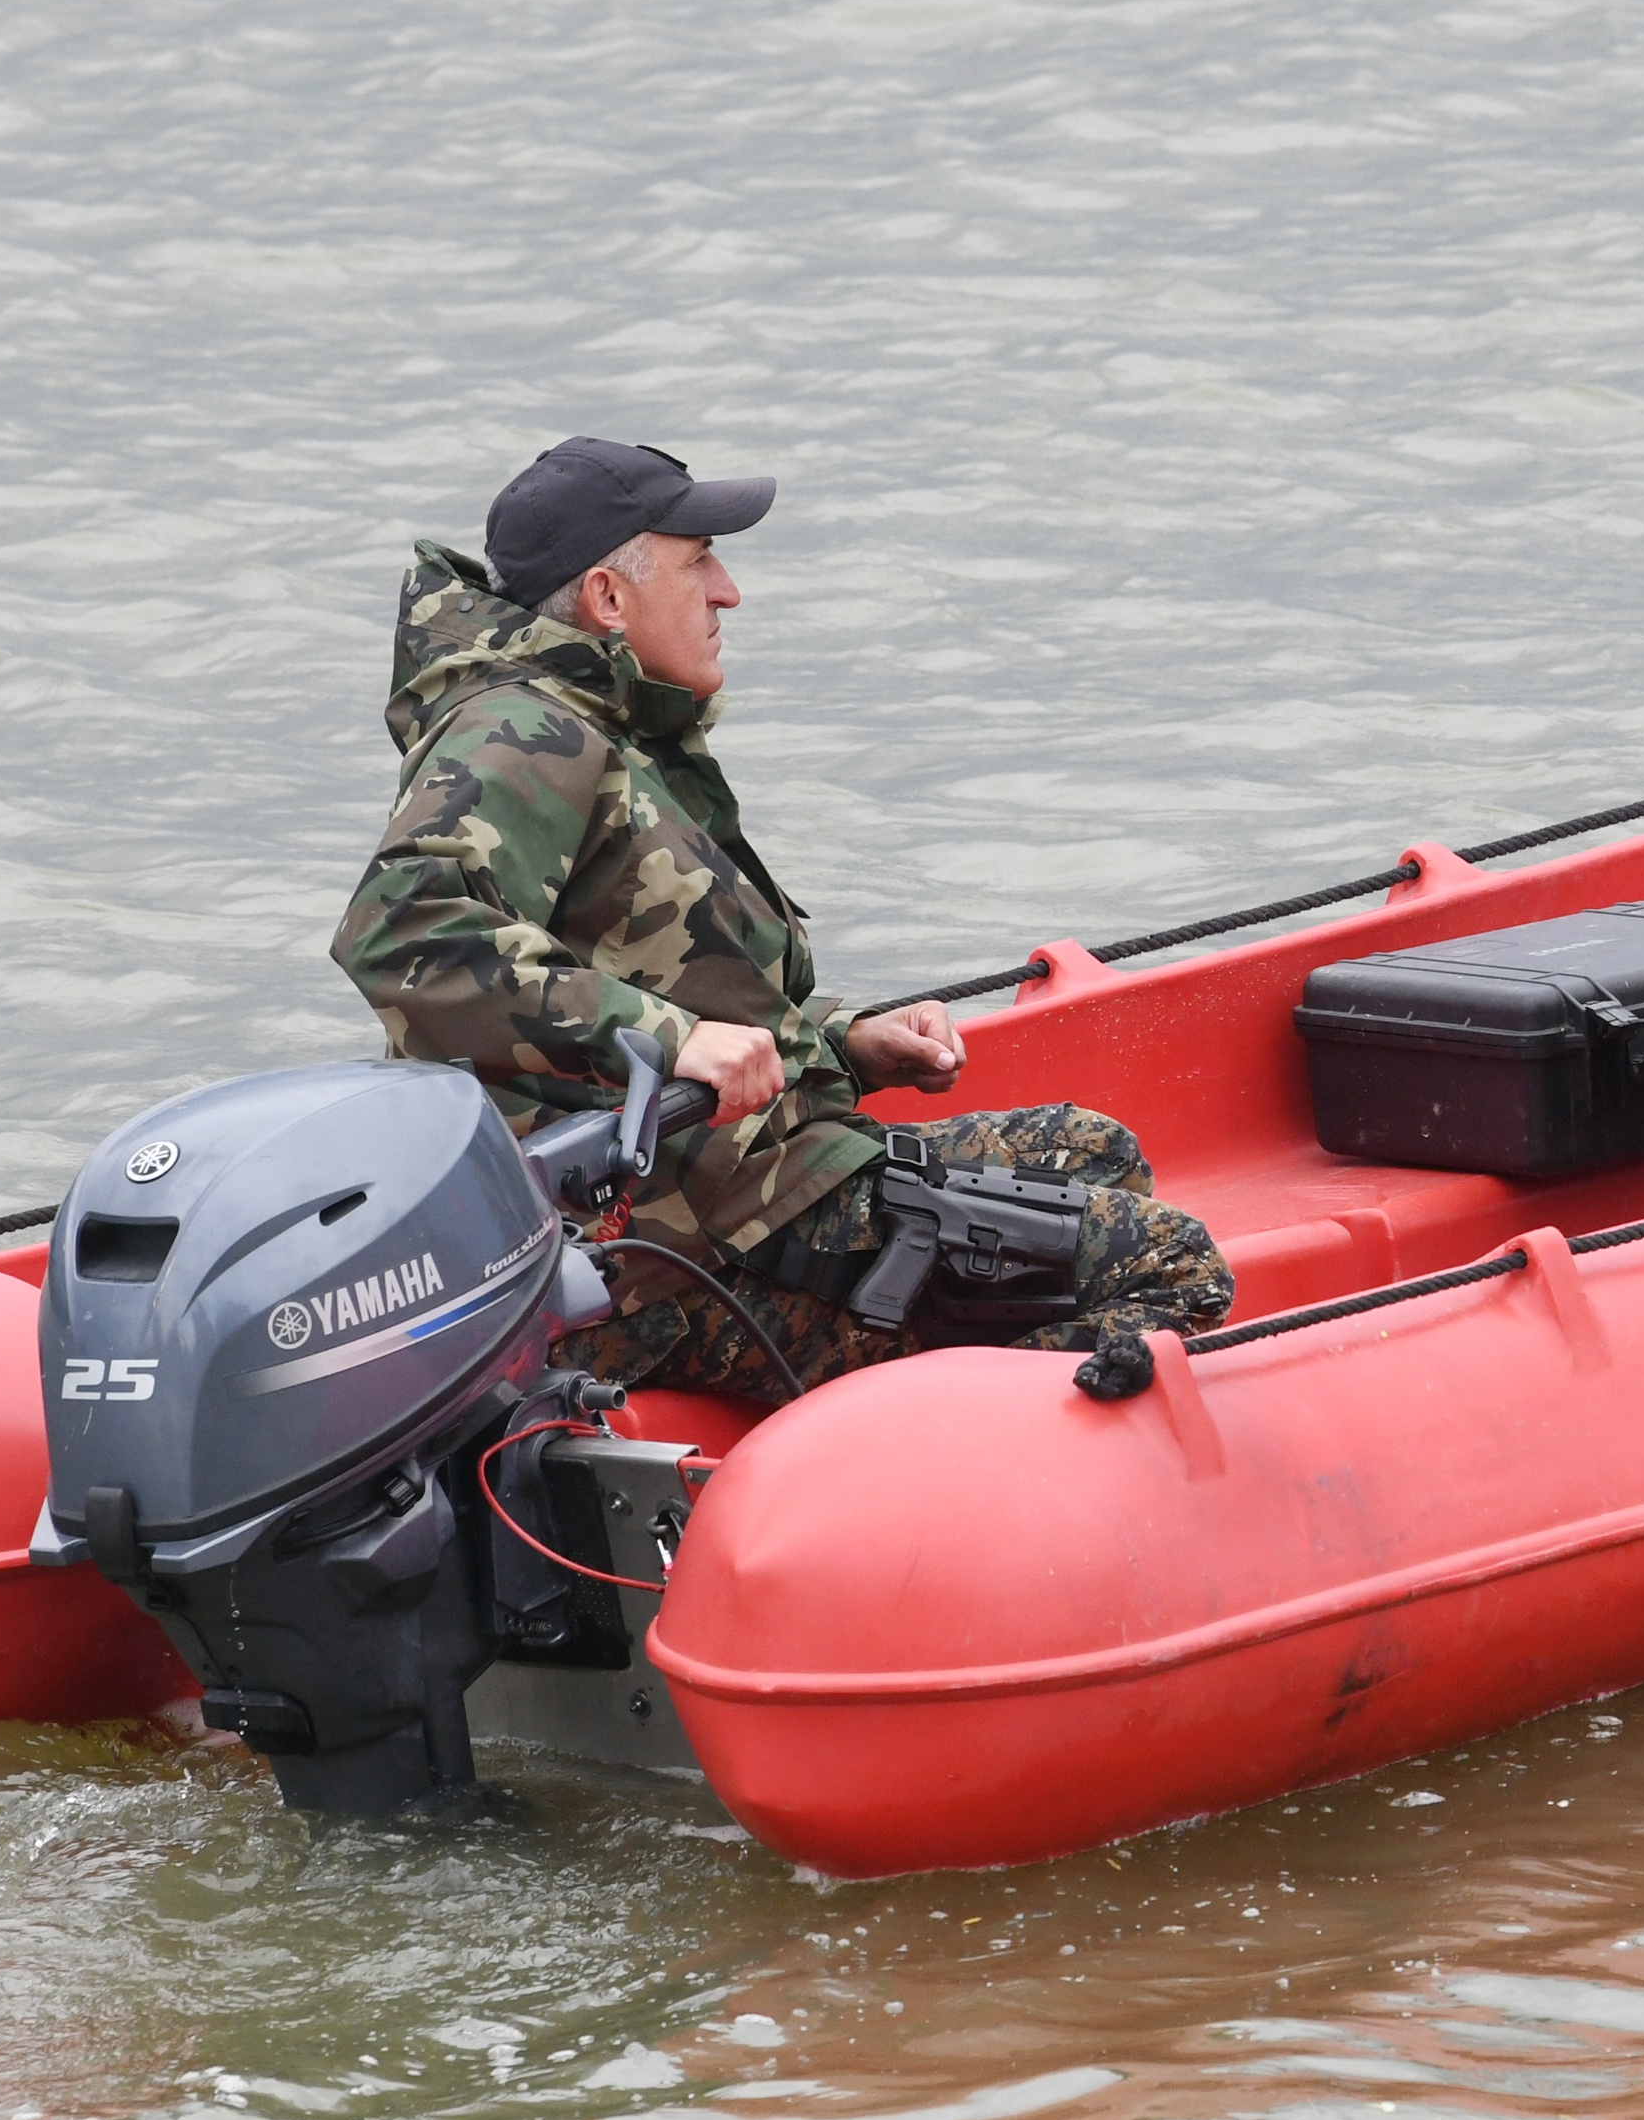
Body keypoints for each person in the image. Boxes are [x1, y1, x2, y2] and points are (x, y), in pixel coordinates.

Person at [333, 435, 1231, 1400]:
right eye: (698, 562)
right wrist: (674, 1040)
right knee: (1176, 1267)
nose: (728, 593)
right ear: (607, 597)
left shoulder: (604, 724)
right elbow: (407, 935)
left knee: (1097, 1152)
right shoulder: (523, 731)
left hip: (739, 1183)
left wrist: (843, 1040)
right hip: (666, 1257)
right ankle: (941, 1456)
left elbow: (653, 975)